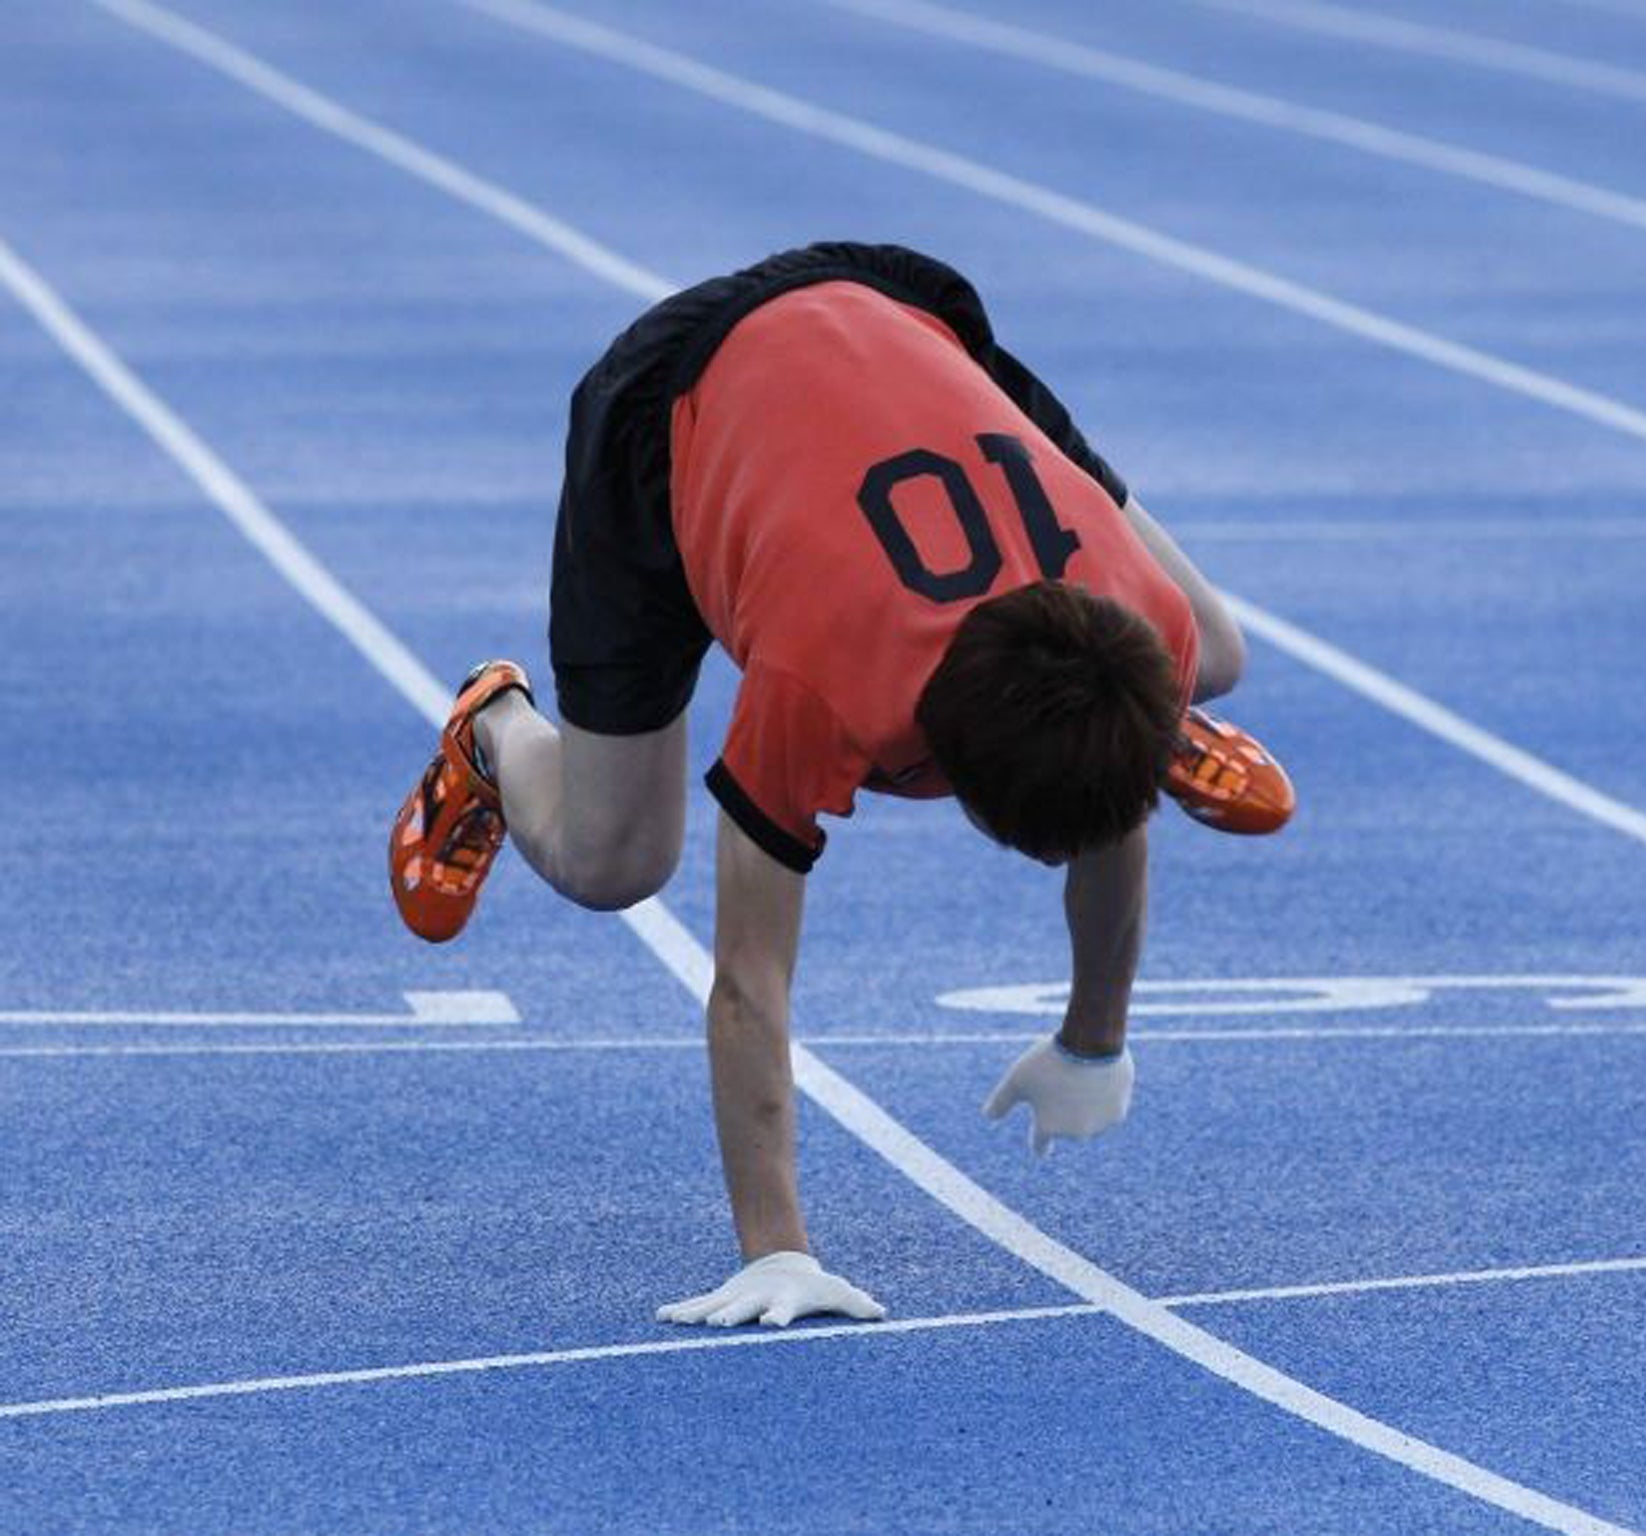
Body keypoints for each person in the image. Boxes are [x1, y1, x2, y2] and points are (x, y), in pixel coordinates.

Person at [388, 243, 1291, 1330]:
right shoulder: (821, 689)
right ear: (933, 766)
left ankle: (1130, 725)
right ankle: (491, 728)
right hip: (671, 408)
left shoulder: (1150, 618)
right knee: (613, 861)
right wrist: (777, 1252)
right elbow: (747, 981)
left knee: (1220, 650)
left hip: (903, 319)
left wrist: (1092, 1038)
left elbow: (1112, 834)